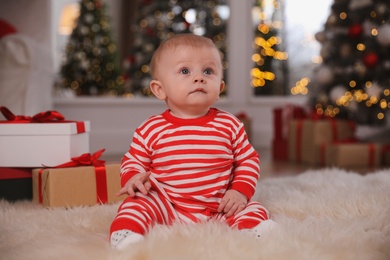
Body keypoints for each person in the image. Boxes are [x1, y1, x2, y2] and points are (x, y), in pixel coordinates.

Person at [110, 33, 273, 249]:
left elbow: (248, 160)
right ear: (160, 89)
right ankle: (127, 234)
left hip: (219, 206)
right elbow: (133, 160)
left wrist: (239, 191)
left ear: (220, 88)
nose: (199, 78)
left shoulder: (230, 125)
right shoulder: (150, 129)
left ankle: (255, 230)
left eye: (208, 71)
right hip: (166, 205)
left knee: (253, 207)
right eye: (185, 71)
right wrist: (133, 177)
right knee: (136, 203)